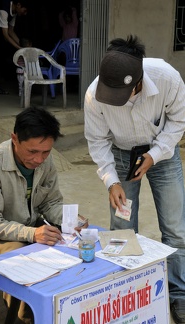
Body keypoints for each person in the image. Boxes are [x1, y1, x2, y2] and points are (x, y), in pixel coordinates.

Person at [84, 35, 185, 324]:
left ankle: (179, 294)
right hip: (120, 154)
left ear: (138, 83)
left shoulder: (167, 78)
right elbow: (97, 140)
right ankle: (127, 290)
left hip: (163, 153)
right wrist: (111, 181)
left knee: (176, 229)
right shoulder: (95, 94)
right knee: (122, 229)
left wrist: (154, 155)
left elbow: (179, 121)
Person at [0, 107, 86, 323]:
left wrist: (70, 219)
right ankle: (25, 317)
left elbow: (51, 202)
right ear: (15, 139)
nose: (39, 159)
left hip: (29, 228)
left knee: (70, 245)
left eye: (46, 152)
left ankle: (57, 309)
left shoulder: (45, 161)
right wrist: (33, 234)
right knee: (21, 256)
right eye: (32, 152)